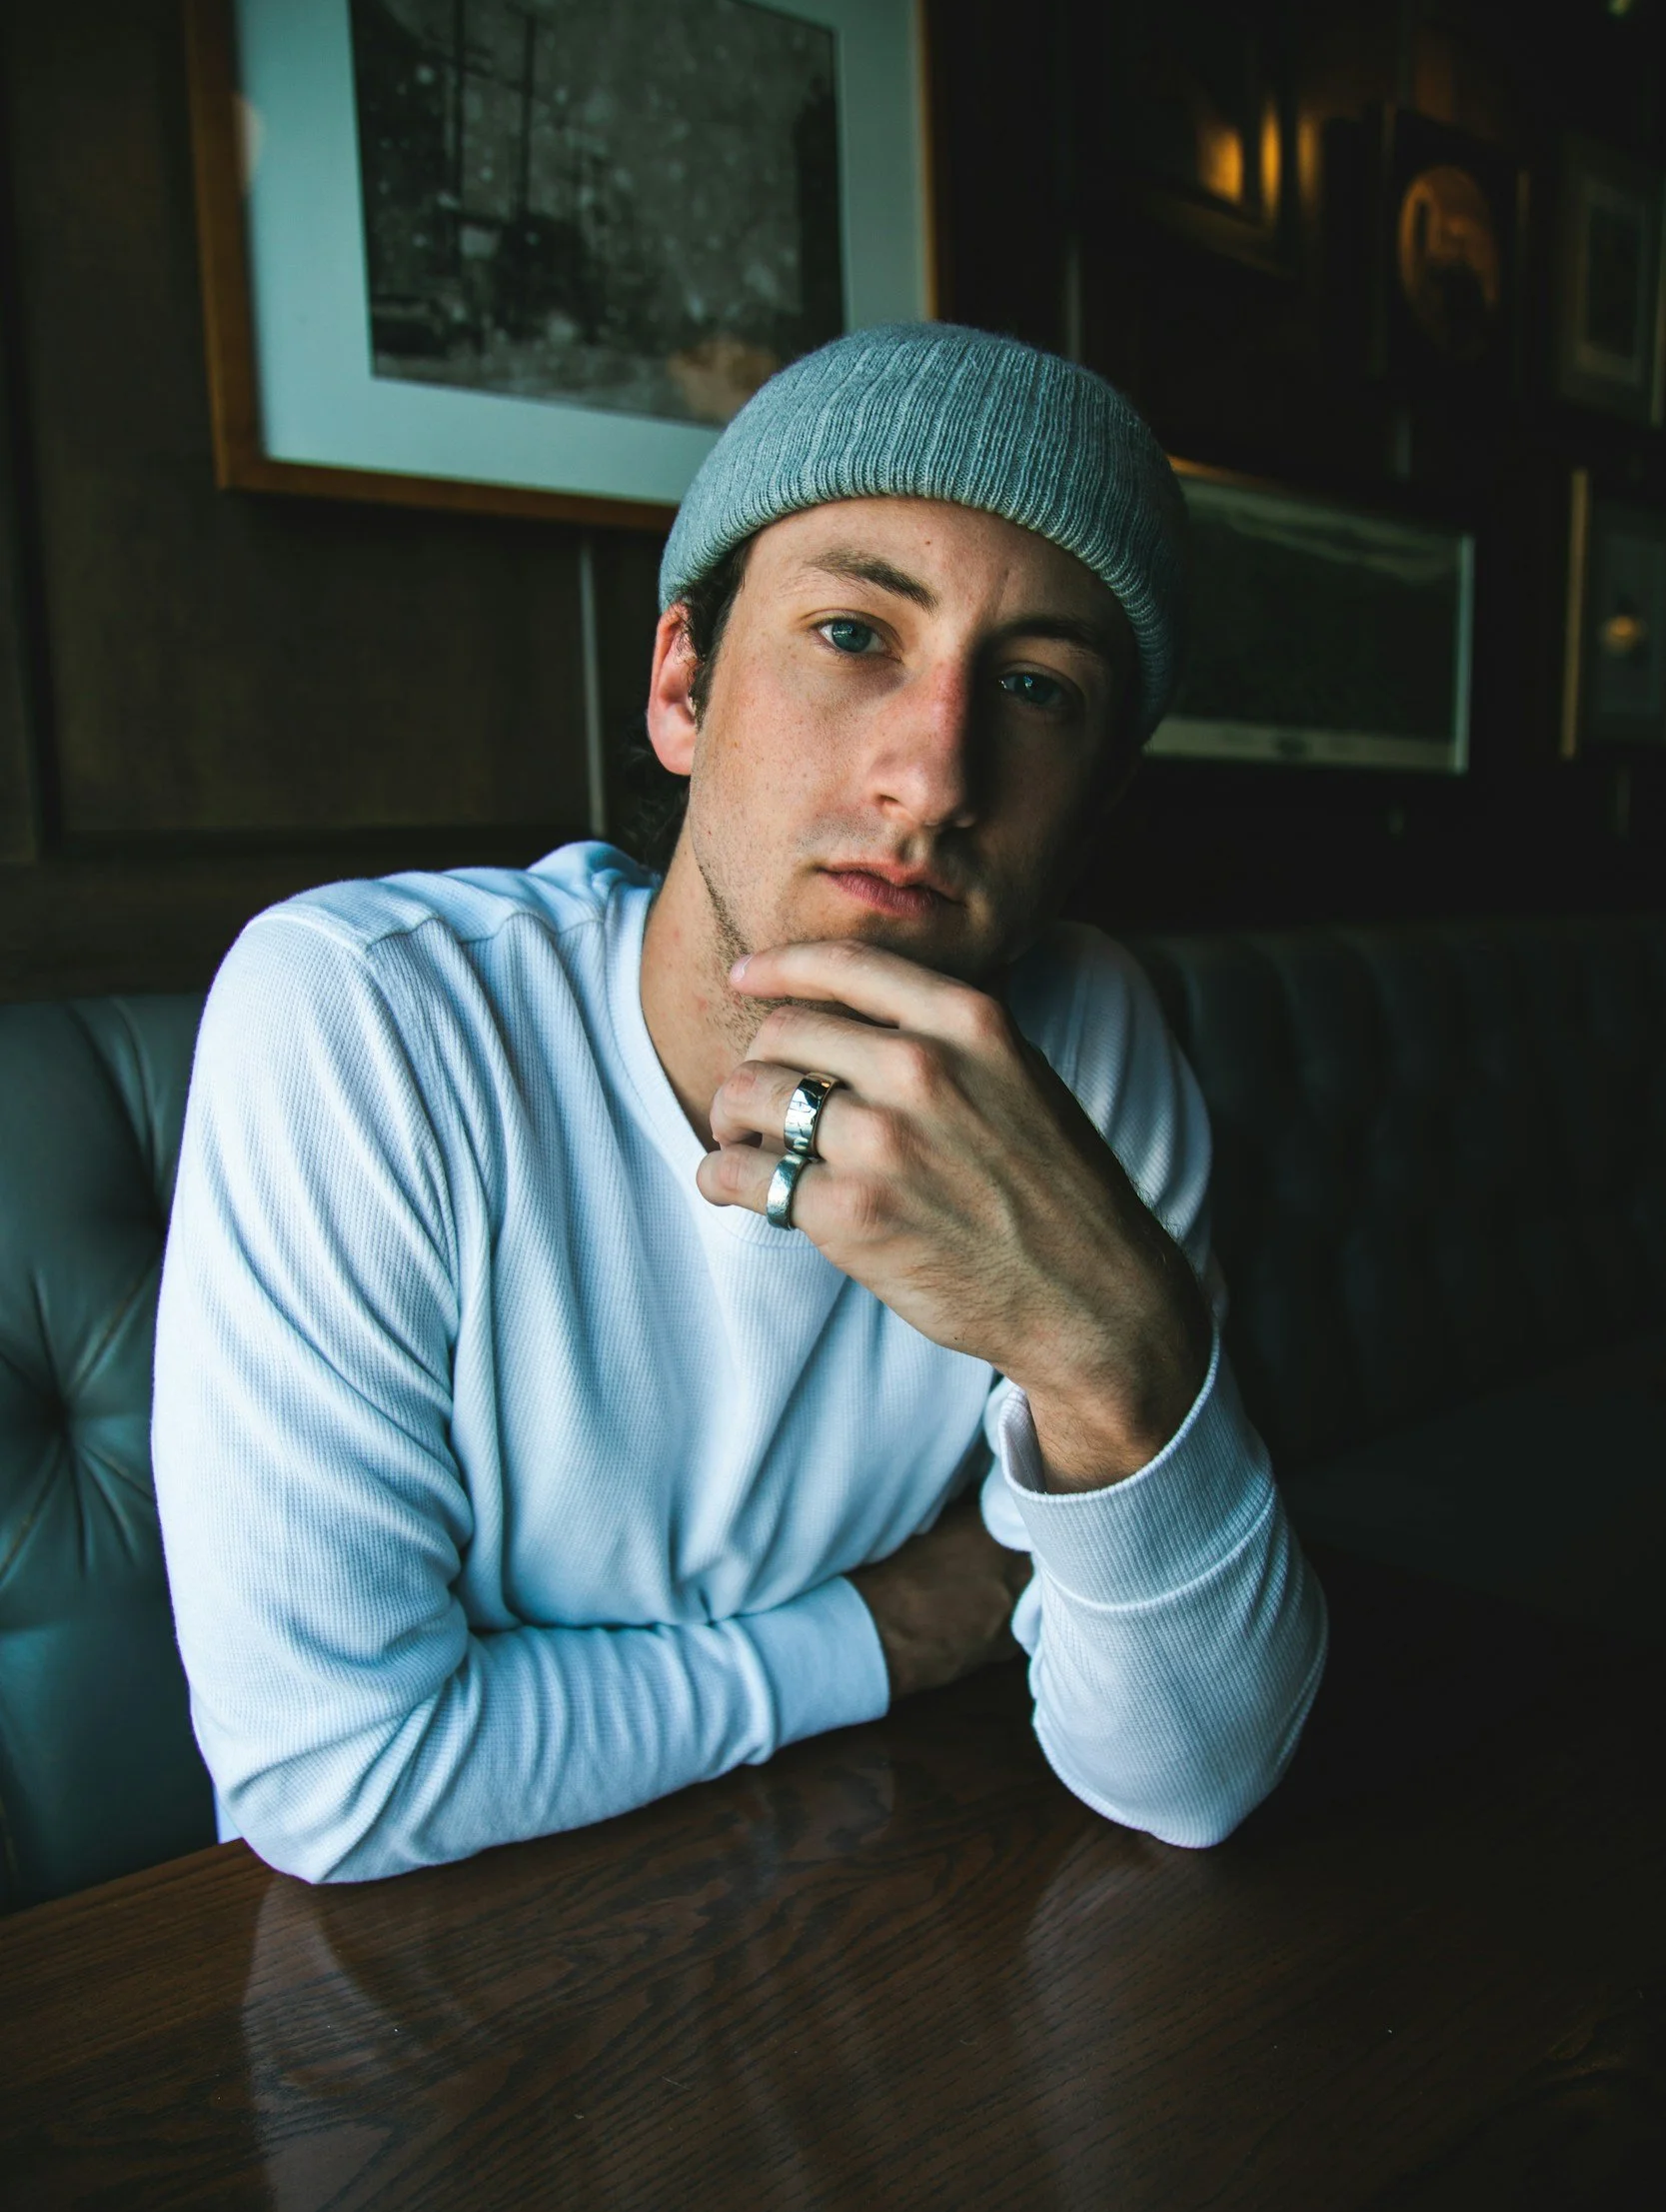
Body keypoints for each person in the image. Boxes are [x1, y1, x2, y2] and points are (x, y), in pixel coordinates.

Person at [153, 322, 1326, 1884]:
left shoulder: (1092, 1041)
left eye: (1038, 686)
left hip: (891, 1924)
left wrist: (1106, 1354)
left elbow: (1194, 1778)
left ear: (1096, 798)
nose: (931, 775)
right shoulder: (368, 1019)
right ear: (682, 685)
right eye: (854, 634)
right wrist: (896, 1627)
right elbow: (338, 1780)